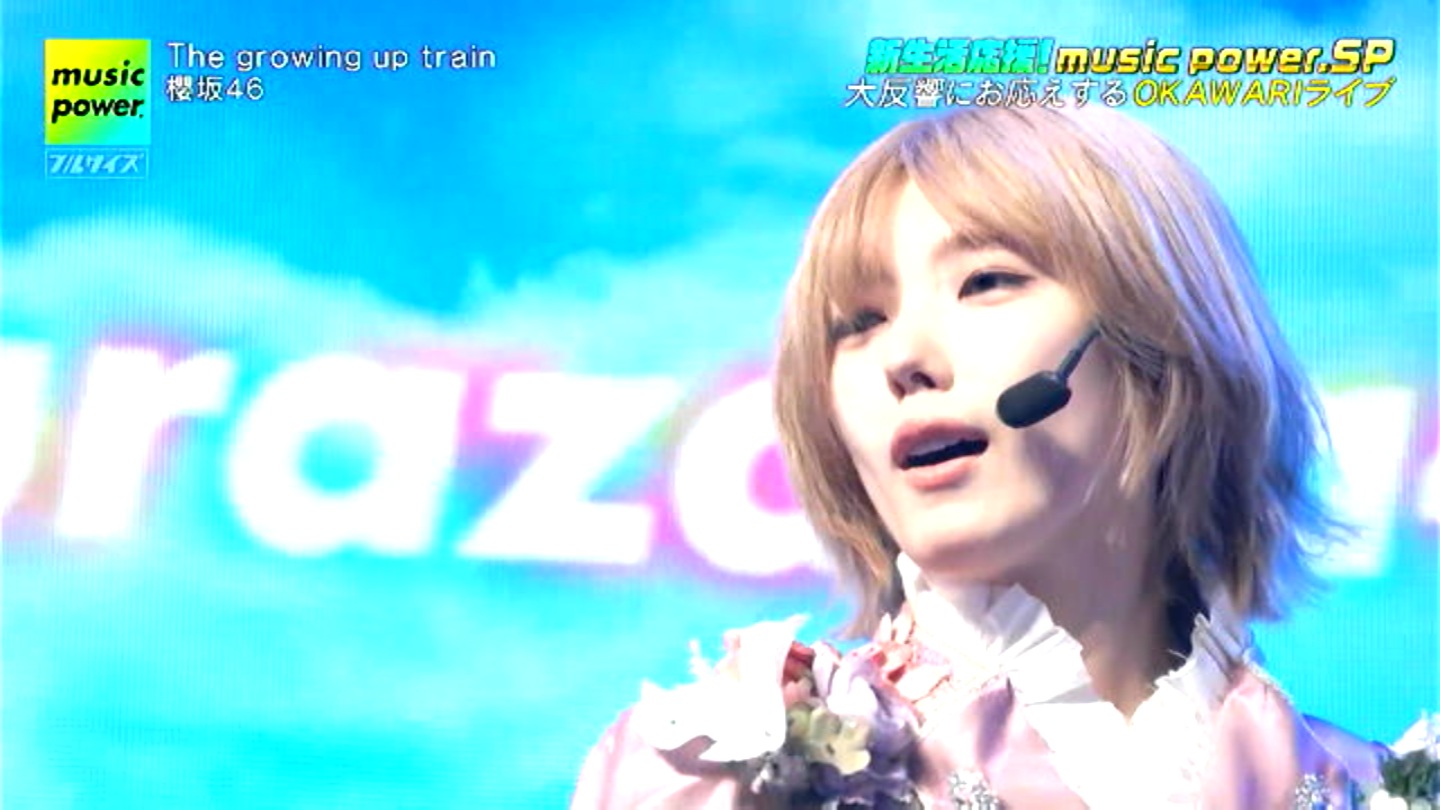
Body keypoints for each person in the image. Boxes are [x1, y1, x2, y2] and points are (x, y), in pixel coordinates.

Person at [570, 105, 1422, 808]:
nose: (904, 358)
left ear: (1158, 343)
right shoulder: (705, 776)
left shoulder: (1373, 790)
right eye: (858, 323)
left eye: (985, 282)